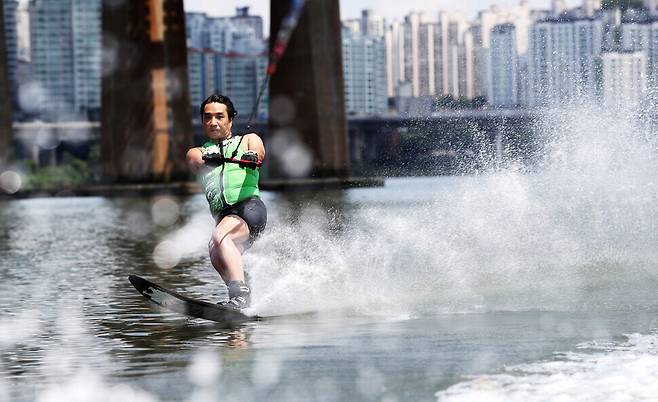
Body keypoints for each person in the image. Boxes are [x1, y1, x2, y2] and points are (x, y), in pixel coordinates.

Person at [186, 94, 266, 310]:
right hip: (225, 217)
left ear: (231, 119)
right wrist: (208, 160)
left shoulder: (248, 140)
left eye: (220, 116)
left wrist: (252, 156)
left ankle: (240, 295)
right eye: (208, 117)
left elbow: (258, 151)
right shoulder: (198, 152)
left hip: (249, 210)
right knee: (214, 250)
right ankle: (243, 289)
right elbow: (195, 160)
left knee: (220, 237)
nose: (213, 122)